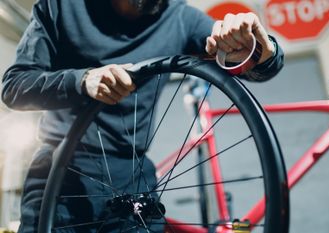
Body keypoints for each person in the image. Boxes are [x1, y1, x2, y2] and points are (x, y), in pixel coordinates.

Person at [1, 0, 284, 232]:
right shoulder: (60, 6)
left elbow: (256, 65)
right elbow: (14, 86)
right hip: (61, 174)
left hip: (132, 175)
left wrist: (262, 49)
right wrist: (82, 80)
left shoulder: (180, 17)